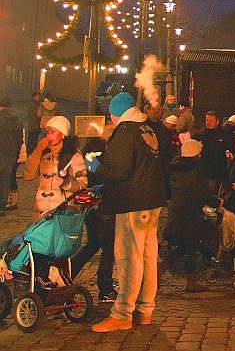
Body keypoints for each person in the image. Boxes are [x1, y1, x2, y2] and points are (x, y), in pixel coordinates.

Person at [90, 92, 173, 333]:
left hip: (132, 202)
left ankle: (122, 313)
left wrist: (95, 167)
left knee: (129, 258)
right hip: (152, 200)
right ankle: (144, 310)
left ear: (116, 114)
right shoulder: (148, 128)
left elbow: (118, 171)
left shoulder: (126, 131)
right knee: (148, 257)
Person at [163, 139, 217, 291]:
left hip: (176, 209)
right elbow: (201, 192)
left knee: (183, 246)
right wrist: (215, 201)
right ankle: (191, 282)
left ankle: (159, 271)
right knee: (191, 247)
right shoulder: (195, 171)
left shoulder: (174, 168)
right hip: (190, 212)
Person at [71, 138, 117, 303]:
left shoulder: (88, 157)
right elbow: (102, 180)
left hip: (91, 208)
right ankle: (105, 288)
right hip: (100, 208)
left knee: (92, 244)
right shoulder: (97, 158)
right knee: (108, 247)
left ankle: (69, 273)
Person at [23, 115, 86, 216]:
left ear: (63, 135)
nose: (49, 136)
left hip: (63, 210)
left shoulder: (73, 155)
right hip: (42, 210)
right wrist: (38, 150)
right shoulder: (43, 154)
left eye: (53, 132)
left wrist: (66, 183)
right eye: (48, 132)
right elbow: (28, 175)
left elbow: (82, 185)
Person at [196, 111, 234, 193]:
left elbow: (229, 149)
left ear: (217, 121)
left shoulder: (223, 135)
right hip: (204, 169)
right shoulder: (201, 135)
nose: (208, 122)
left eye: (210, 120)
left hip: (218, 169)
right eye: (207, 120)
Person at [0, 97, 22, 215]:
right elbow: (20, 139)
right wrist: (16, 154)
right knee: (4, 181)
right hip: (11, 154)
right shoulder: (17, 119)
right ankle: (2, 207)